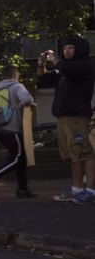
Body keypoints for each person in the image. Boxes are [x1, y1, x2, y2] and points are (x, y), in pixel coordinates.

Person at [38, 37, 95, 205]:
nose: (67, 51)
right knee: (73, 155)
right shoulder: (63, 70)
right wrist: (41, 64)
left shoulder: (86, 65)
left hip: (77, 116)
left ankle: (91, 191)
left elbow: (67, 68)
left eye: (71, 47)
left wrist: (55, 59)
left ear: (80, 49)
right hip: (63, 117)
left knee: (85, 152)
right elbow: (44, 80)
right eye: (64, 48)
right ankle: (76, 189)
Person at [0, 65, 36, 200]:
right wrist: (32, 104)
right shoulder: (17, 86)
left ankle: (22, 188)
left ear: (2, 77)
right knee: (17, 158)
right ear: (15, 75)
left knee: (21, 159)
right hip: (12, 129)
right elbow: (27, 99)